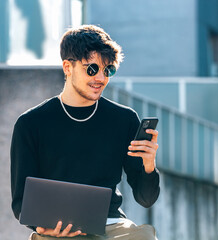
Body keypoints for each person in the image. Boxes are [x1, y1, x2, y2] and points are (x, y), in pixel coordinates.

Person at [10, 25, 160, 240]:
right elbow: (20, 201)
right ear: (67, 67)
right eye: (92, 68)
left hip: (111, 225)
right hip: (59, 228)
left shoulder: (124, 119)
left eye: (108, 70)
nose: (101, 77)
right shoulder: (30, 124)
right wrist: (41, 226)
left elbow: (146, 199)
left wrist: (148, 166)